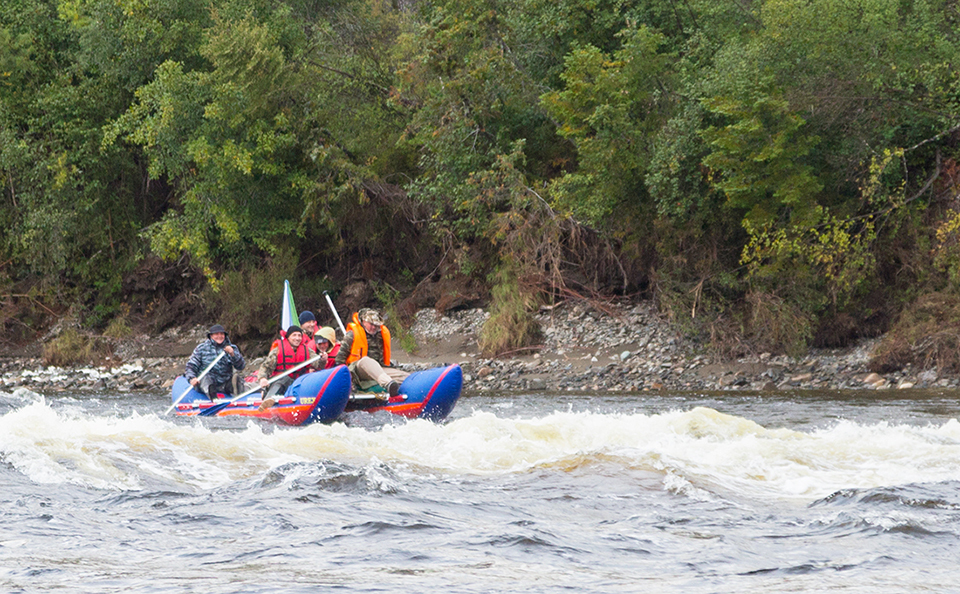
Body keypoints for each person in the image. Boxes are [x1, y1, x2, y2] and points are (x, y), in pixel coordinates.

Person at [335, 308, 408, 397]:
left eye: (376, 325)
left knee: (403, 375)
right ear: (363, 321)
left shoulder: (380, 335)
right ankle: (388, 384)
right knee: (365, 360)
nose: (373, 327)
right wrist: (347, 379)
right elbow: (339, 360)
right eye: (371, 324)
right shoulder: (352, 335)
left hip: (378, 370)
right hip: (358, 371)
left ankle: (415, 383)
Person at [257, 325, 320, 409]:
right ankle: (268, 400)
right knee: (285, 379)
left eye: (299, 335)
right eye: (294, 335)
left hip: (298, 384)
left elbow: (318, 364)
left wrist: (323, 359)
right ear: (288, 337)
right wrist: (262, 378)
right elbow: (265, 367)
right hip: (280, 384)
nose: (297, 338)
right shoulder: (278, 350)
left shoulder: (307, 351)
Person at [185, 324, 246, 400]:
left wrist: (232, 354)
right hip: (207, 382)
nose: (219, 336)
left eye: (221, 334)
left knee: (236, 379)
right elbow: (191, 365)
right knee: (205, 378)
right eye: (216, 334)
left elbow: (241, 366)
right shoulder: (202, 348)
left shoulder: (232, 348)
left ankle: (241, 397)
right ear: (211, 336)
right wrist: (192, 378)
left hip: (225, 381)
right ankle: (214, 398)